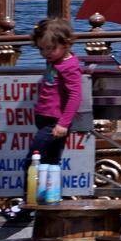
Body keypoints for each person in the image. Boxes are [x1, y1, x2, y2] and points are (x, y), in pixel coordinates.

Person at [30, 18, 83, 167]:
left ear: (65, 44)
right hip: (45, 116)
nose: (45, 53)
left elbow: (75, 96)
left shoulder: (69, 67)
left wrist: (63, 123)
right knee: (50, 159)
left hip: (55, 121)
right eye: (41, 49)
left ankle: (30, 189)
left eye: (50, 48)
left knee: (34, 157)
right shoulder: (55, 60)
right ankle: (49, 188)